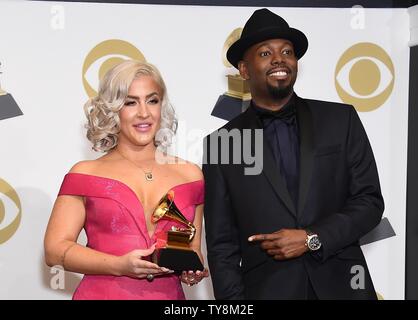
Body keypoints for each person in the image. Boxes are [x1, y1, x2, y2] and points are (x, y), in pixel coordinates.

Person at [202, 8, 384, 299]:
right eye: (264, 53)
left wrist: (312, 238)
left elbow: (369, 203)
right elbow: (222, 246)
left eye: (287, 51)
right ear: (244, 69)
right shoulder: (221, 144)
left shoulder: (341, 120)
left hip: (344, 287)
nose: (279, 59)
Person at [44, 60, 208, 300]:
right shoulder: (86, 173)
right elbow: (54, 251)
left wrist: (192, 269)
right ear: (113, 110)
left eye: (152, 100)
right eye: (130, 102)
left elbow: (193, 248)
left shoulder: (190, 175)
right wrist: (120, 265)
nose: (144, 112)